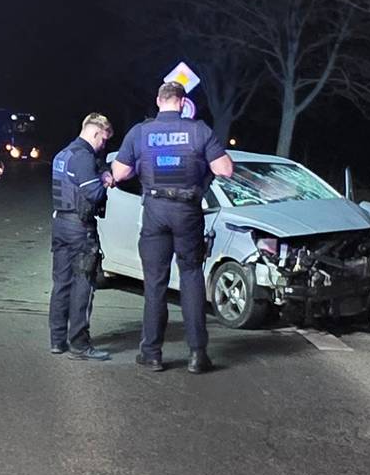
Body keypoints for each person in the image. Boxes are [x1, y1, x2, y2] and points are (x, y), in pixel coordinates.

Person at [106, 82, 234, 372]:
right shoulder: (199, 130)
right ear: (182, 102)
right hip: (188, 211)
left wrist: (139, 165)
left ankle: (151, 353)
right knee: (190, 277)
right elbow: (225, 169)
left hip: (154, 210)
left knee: (154, 283)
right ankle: (197, 354)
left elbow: (120, 172)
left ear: (158, 101)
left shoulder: (140, 132)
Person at [48, 114, 117, 360]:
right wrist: (106, 180)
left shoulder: (63, 154)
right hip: (80, 229)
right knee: (83, 284)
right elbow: (93, 193)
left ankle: (57, 340)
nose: (103, 145)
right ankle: (79, 343)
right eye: (104, 139)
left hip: (60, 224)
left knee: (61, 283)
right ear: (96, 132)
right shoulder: (83, 157)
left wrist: (103, 171)